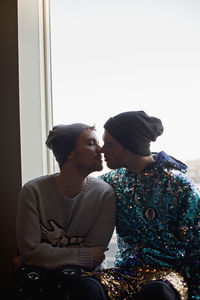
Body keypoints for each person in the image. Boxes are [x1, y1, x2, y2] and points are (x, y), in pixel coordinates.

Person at [84, 111, 200, 300]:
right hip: (124, 273)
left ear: (131, 147)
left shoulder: (179, 186)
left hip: (167, 277)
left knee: (156, 292)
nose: (102, 150)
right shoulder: (111, 181)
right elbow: (78, 190)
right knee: (88, 286)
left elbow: (196, 249)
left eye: (110, 144)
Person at [15, 123, 116, 300]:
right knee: (29, 279)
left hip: (84, 278)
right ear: (69, 153)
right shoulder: (33, 191)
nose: (100, 149)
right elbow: (30, 251)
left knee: (71, 278)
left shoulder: (104, 194)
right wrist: (84, 255)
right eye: (91, 143)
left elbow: (96, 256)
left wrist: (41, 255)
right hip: (38, 273)